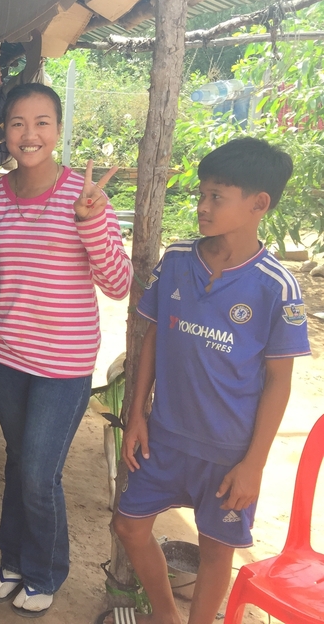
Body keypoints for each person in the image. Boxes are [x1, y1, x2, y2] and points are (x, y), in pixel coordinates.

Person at [107, 138, 309, 624]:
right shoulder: (177, 260)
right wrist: (137, 415)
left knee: (217, 550)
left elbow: (279, 382)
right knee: (129, 526)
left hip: (229, 452)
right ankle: (164, 614)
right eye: (202, 193)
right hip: (164, 437)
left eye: (217, 196)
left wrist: (254, 464)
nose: (201, 206)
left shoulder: (277, 287)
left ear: (258, 204)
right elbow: (152, 338)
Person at [0, 82, 133, 616]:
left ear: (58, 130)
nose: (28, 134)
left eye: (41, 122)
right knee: (19, 462)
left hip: (63, 366)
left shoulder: (83, 196)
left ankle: (44, 569)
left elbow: (119, 283)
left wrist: (90, 222)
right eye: (17, 123)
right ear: (4, 132)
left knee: (38, 471)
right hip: (4, 359)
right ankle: (12, 559)